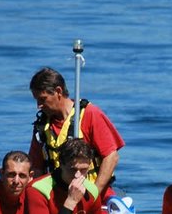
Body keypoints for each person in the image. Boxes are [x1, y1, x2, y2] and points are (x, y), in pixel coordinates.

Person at [28, 66, 124, 199]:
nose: (38, 105)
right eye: (36, 100)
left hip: (93, 198)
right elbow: (36, 168)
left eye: (43, 99)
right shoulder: (42, 126)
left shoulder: (90, 114)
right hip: (57, 200)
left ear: (58, 91)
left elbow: (111, 157)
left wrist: (93, 194)